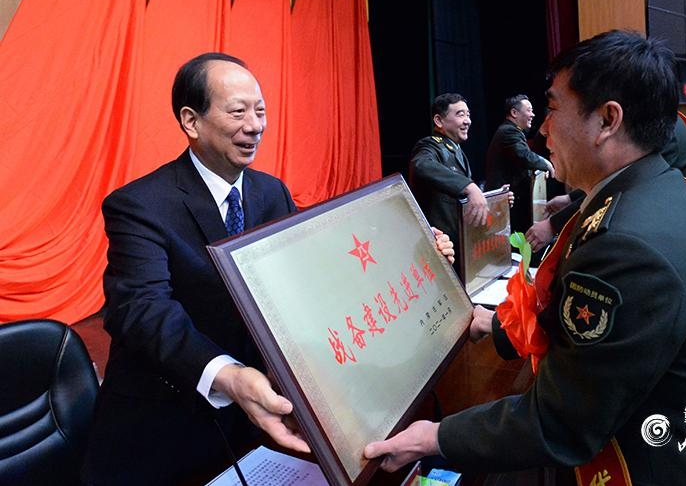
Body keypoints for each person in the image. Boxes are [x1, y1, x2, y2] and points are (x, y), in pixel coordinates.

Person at [364, 30, 686, 484]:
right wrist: (499, 326)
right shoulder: (653, 190)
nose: (543, 129)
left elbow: (561, 423)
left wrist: (433, 437)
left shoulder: (627, 246)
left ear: (607, 120)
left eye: (551, 109)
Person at [80, 52, 456, 485]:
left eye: (260, 111)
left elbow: (315, 272)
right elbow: (140, 309)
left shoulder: (270, 191)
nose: (255, 126)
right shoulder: (140, 205)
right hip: (167, 426)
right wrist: (227, 375)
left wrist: (412, 247)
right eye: (238, 111)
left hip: (258, 416)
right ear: (191, 121)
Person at [526, 114, 686, 252]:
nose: (544, 129)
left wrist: (554, 224)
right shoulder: (654, 121)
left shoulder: (621, 241)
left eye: (555, 108)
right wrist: (570, 199)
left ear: (611, 118)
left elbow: (617, 186)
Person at [408, 93, 489, 274]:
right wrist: (469, 187)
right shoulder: (430, 145)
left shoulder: (457, 149)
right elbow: (421, 164)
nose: (467, 121)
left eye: (468, 114)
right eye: (460, 114)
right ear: (439, 120)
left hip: (460, 247)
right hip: (439, 249)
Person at [485, 94, 553, 233]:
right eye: (529, 110)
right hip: (506, 203)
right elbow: (524, 156)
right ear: (514, 113)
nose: (533, 115)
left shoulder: (512, 131)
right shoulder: (509, 131)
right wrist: (546, 164)